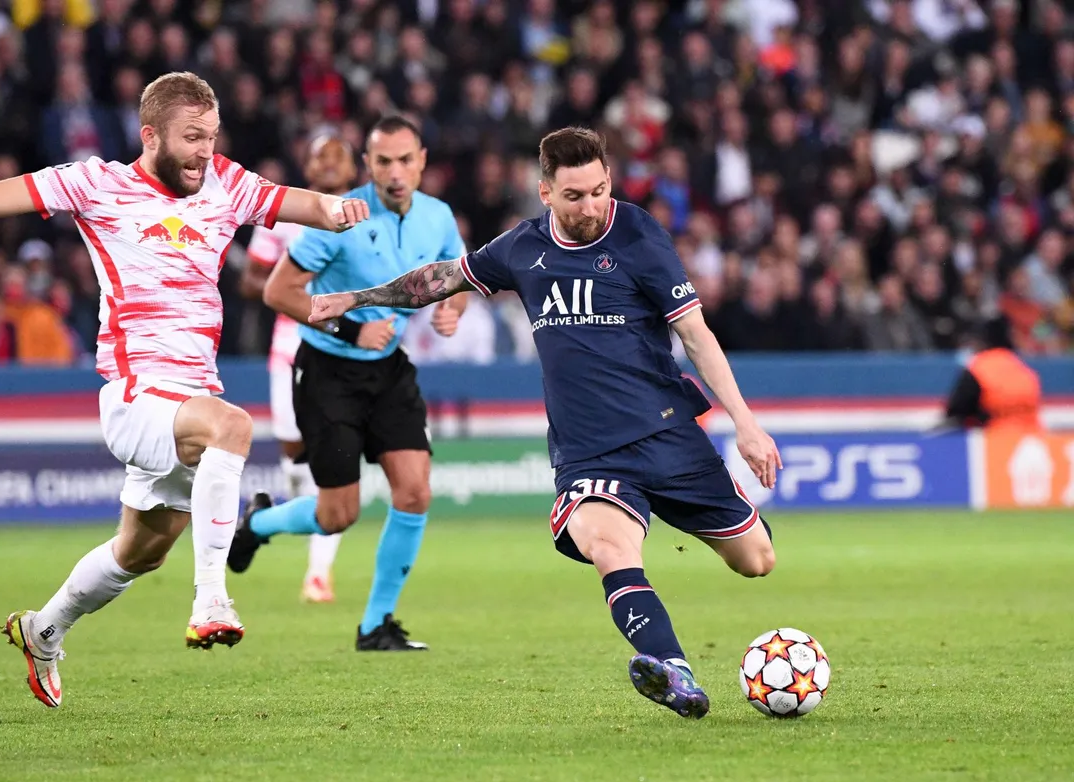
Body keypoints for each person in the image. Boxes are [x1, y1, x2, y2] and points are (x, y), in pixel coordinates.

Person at [0, 71, 368, 708]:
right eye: (192, 137)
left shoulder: (225, 182)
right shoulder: (96, 184)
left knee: (141, 552)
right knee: (234, 427)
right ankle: (212, 599)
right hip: (136, 395)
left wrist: (334, 209)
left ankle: (43, 629)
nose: (203, 152)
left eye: (212, 137)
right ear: (151, 134)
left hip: (188, 400)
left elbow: (299, 203)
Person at [308, 127, 781, 717]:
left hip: (666, 434)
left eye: (600, 190)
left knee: (756, 560)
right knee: (611, 548)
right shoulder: (522, 249)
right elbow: (438, 280)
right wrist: (355, 299)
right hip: (591, 454)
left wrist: (746, 423)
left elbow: (695, 334)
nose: (591, 206)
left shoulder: (638, 235)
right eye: (576, 196)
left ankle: (697, 531)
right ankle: (673, 670)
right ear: (546, 193)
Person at [227, 115, 467, 652]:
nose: (396, 172)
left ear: (423, 160)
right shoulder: (339, 218)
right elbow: (278, 293)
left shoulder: (438, 217)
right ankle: (260, 523)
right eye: (384, 161)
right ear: (369, 166)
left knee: (415, 489)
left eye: (406, 160)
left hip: (388, 369)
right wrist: (351, 327)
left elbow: (457, 274)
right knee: (338, 514)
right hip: (328, 371)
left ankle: (376, 625)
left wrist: (453, 307)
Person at [239, 132, 357, 603]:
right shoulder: (284, 216)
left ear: (354, 168)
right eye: (319, 156)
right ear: (306, 169)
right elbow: (250, 280)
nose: (329, 164)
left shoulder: (374, 217)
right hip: (290, 349)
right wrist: (293, 287)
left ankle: (318, 573)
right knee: (295, 455)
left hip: (348, 354)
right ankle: (284, 512)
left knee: (336, 460)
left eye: (338, 155)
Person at [942, 317, 1042, 432]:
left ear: (981, 342)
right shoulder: (1022, 368)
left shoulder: (978, 368)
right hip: (1032, 437)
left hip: (994, 440)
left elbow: (957, 412)